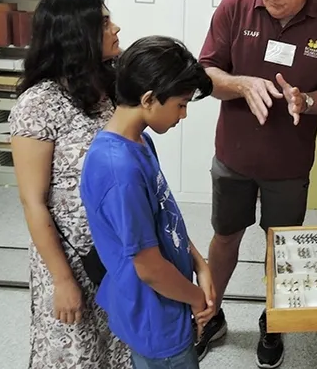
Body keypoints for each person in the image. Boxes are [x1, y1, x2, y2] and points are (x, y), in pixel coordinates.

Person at [195, 0, 317, 368]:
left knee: (280, 247)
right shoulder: (235, 7)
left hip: (289, 164)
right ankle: (210, 315)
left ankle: (274, 323)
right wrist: (241, 83)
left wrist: (308, 102)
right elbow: (205, 73)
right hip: (234, 156)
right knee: (225, 236)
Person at [9, 0, 131, 369]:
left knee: (117, 347)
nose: (116, 28)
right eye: (105, 23)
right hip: (71, 260)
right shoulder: (39, 103)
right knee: (75, 354)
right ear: (78, 34)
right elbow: (33, 201)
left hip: (114, 252)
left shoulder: (108, 89)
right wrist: (62, 280)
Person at [79, 36, 216, 369]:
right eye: (181, 104)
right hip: (158, 317)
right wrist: (198, 300)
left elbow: (165, 217)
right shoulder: (119, 171)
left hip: (171, 299)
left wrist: (199, 262)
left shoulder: (140, 141)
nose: (183, 115)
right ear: (149, 99)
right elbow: (149, 269)